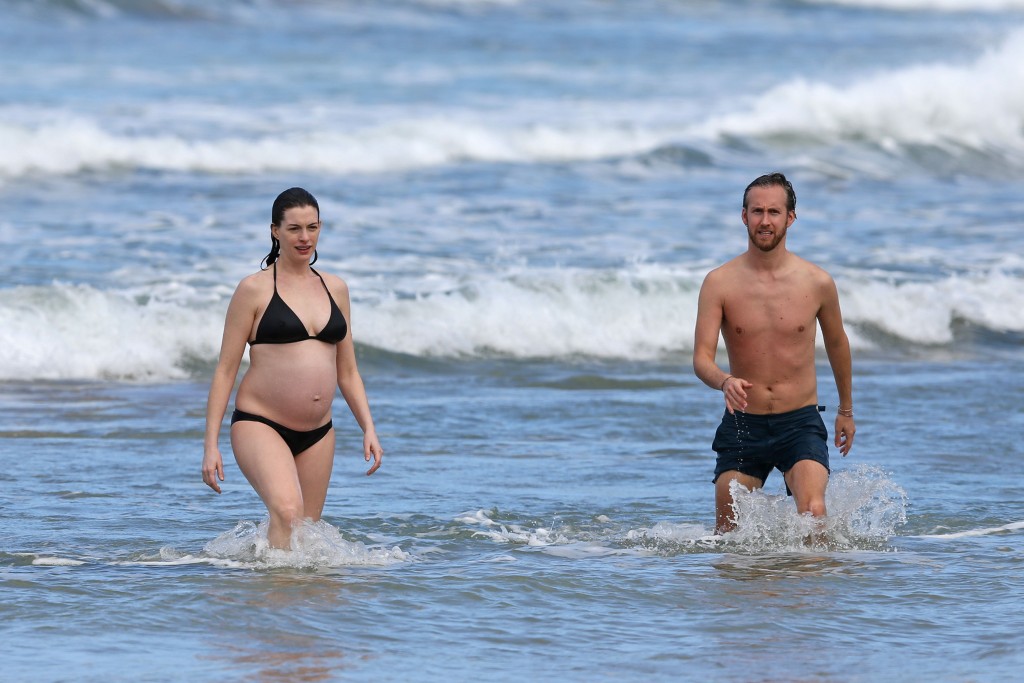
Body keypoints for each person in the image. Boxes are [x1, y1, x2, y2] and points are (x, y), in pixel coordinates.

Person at [202, 187, 383, 549]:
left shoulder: (336, 288)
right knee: (286, 510)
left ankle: (277, 597)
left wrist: (368, 426)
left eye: (312, 228)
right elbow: (225, 370)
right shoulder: (253, 290)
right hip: (259, 423)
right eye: (294, 229)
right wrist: (210, 444)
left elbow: (347, 371)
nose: (305, 238)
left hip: (319, 432)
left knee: (304, 535)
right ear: (275, 231)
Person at [692, 172, 855, 534]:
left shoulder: (817, 282)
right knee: (728, 530)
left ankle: (807, 589)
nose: (765, 221)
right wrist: (725, 381)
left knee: (813, 515)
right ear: (744, 216)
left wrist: (845, 410)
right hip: (743, 424)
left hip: (799, 422)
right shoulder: (719, 282)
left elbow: (838, 345)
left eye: (774, 212)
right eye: (757, 211)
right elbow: (701, 359)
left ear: (790, 218)